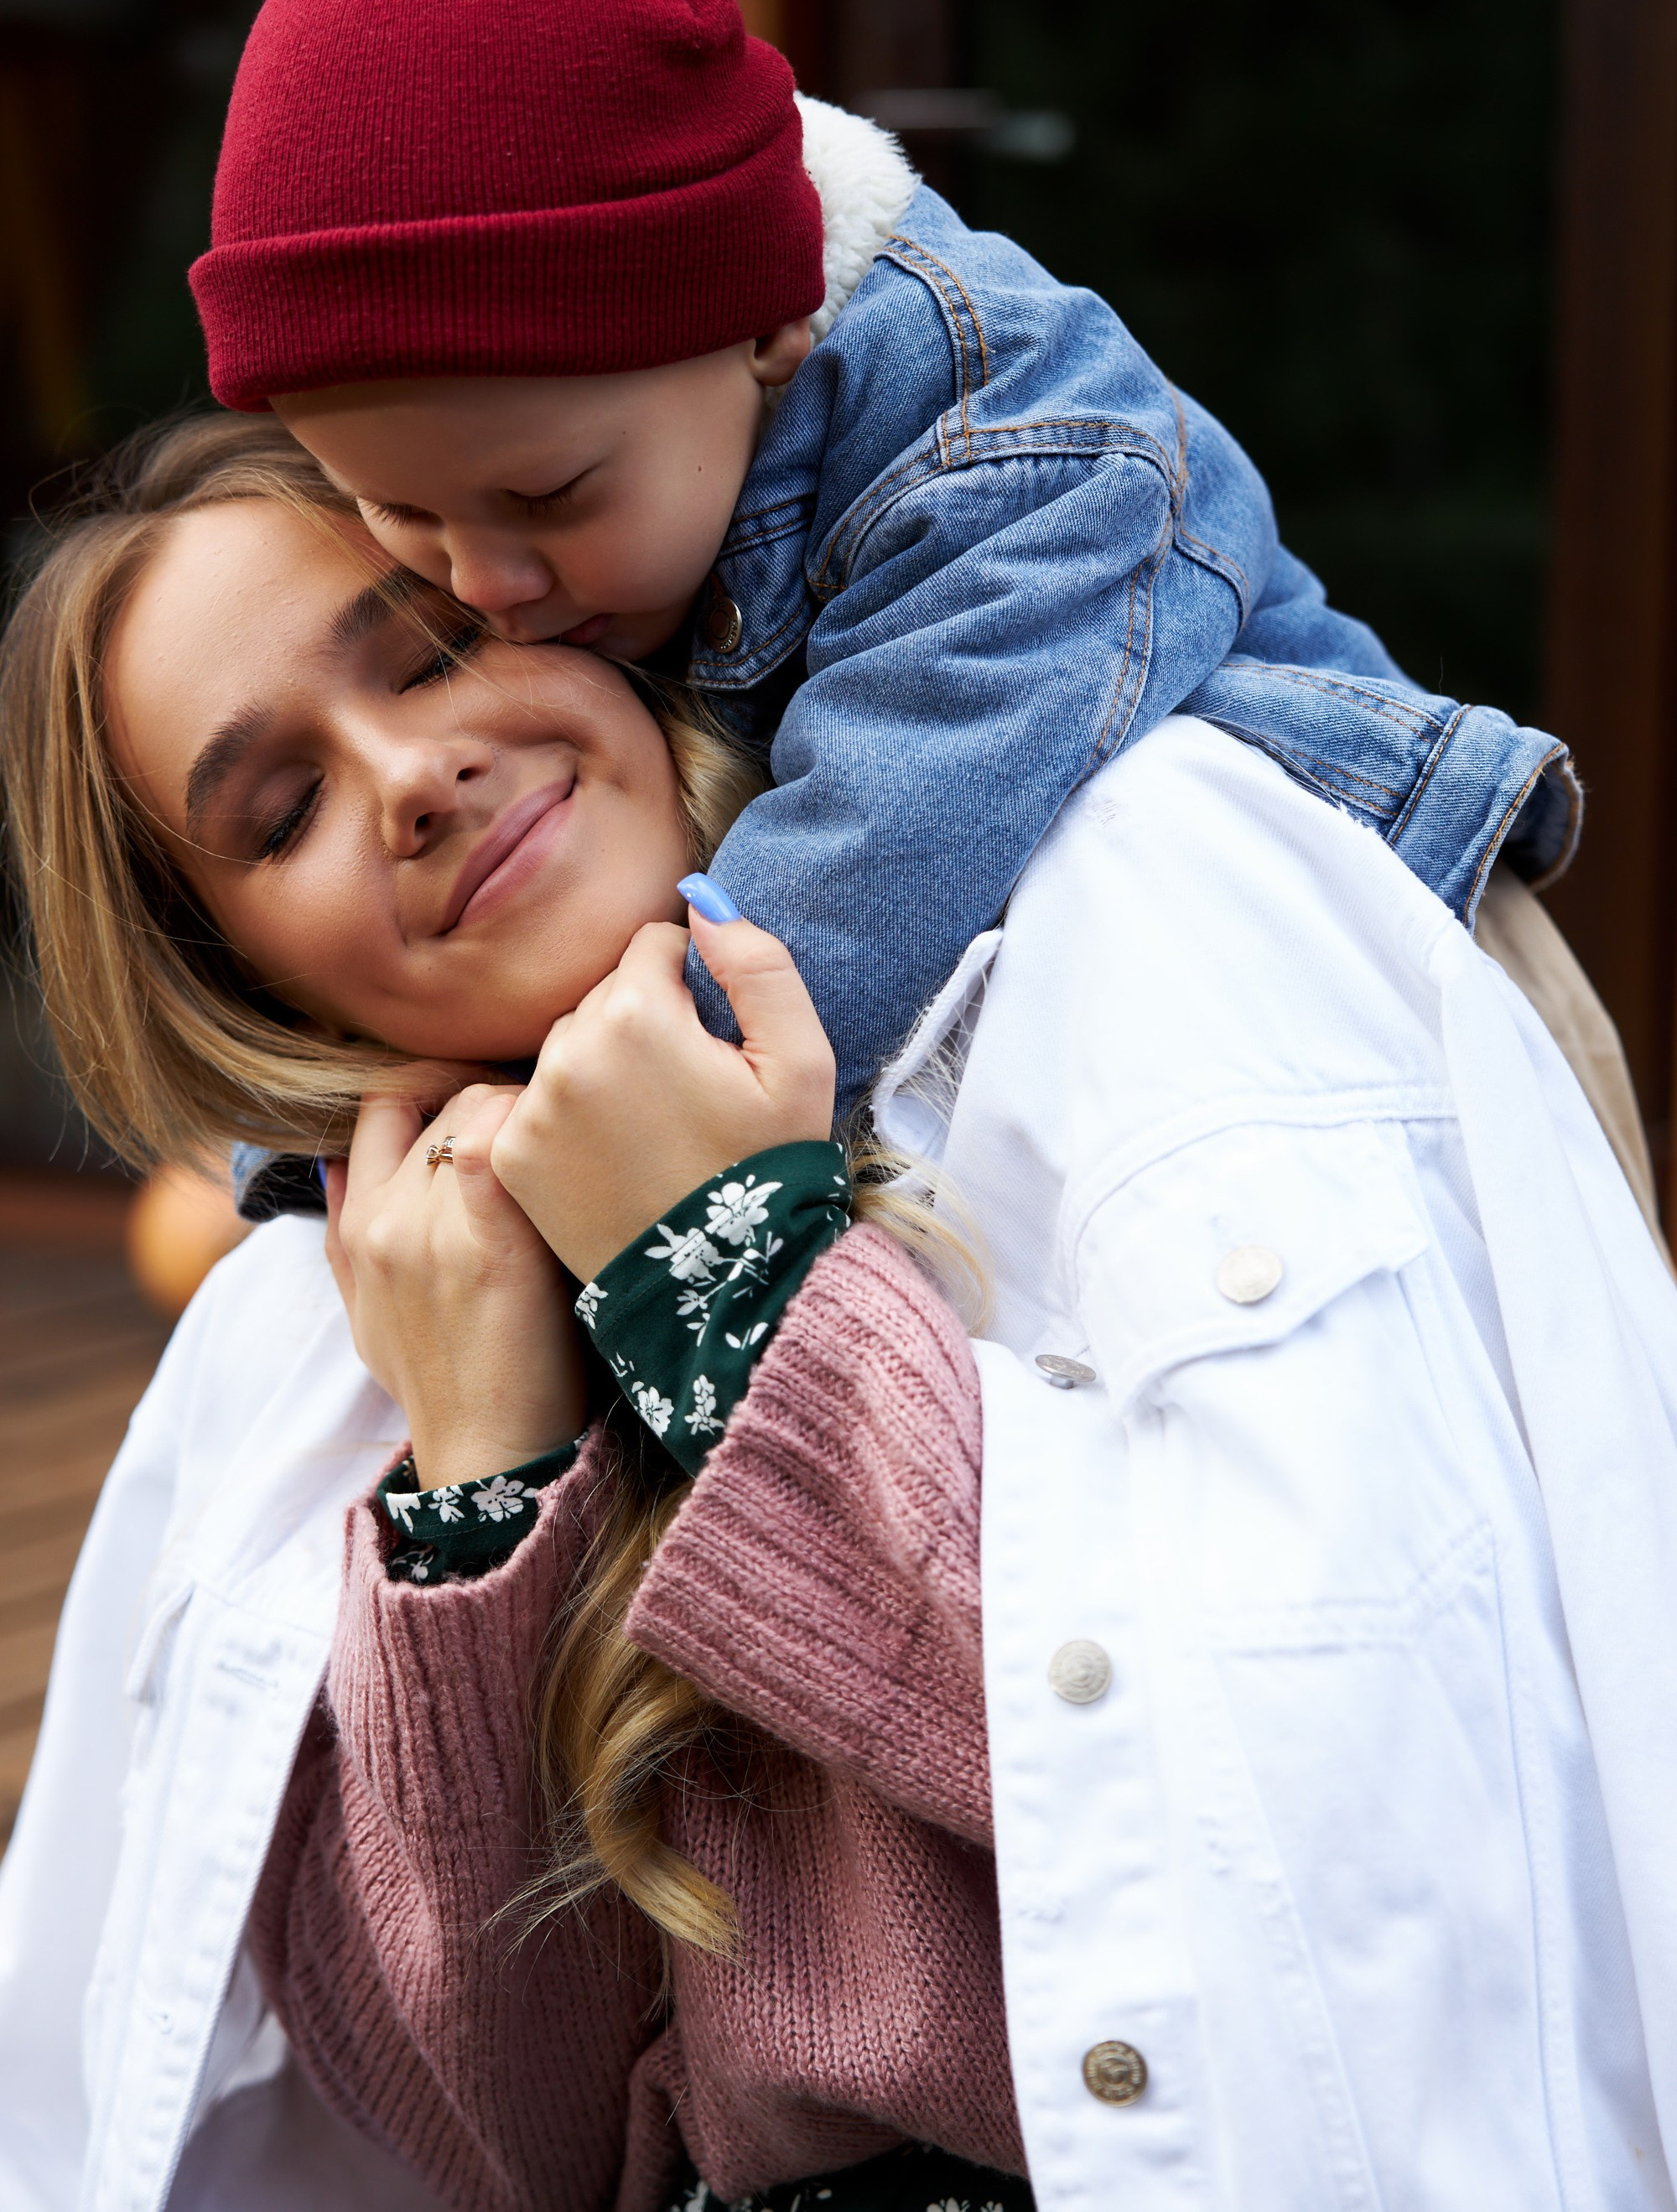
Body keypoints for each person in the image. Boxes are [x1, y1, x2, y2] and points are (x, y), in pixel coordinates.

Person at [2, 420, 1674, 2212]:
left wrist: (724, 1282)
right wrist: (487, 1469)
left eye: (432, 648)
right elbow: (521, 2142)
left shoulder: (1147, 904)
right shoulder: (336, 1329)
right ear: (249, 984)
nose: (410, 773)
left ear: (590, 605)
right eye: (283, 814)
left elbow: (1310, 1825)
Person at [186, 0, 1577, 1164]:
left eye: (547, 497)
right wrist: (336, 1139)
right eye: (401, 514)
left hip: (1411, 1028)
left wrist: (592, 1136)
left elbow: (879, 858)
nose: (485, 586)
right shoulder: (654, 475)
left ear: (767, 324)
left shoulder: (1008, 443)